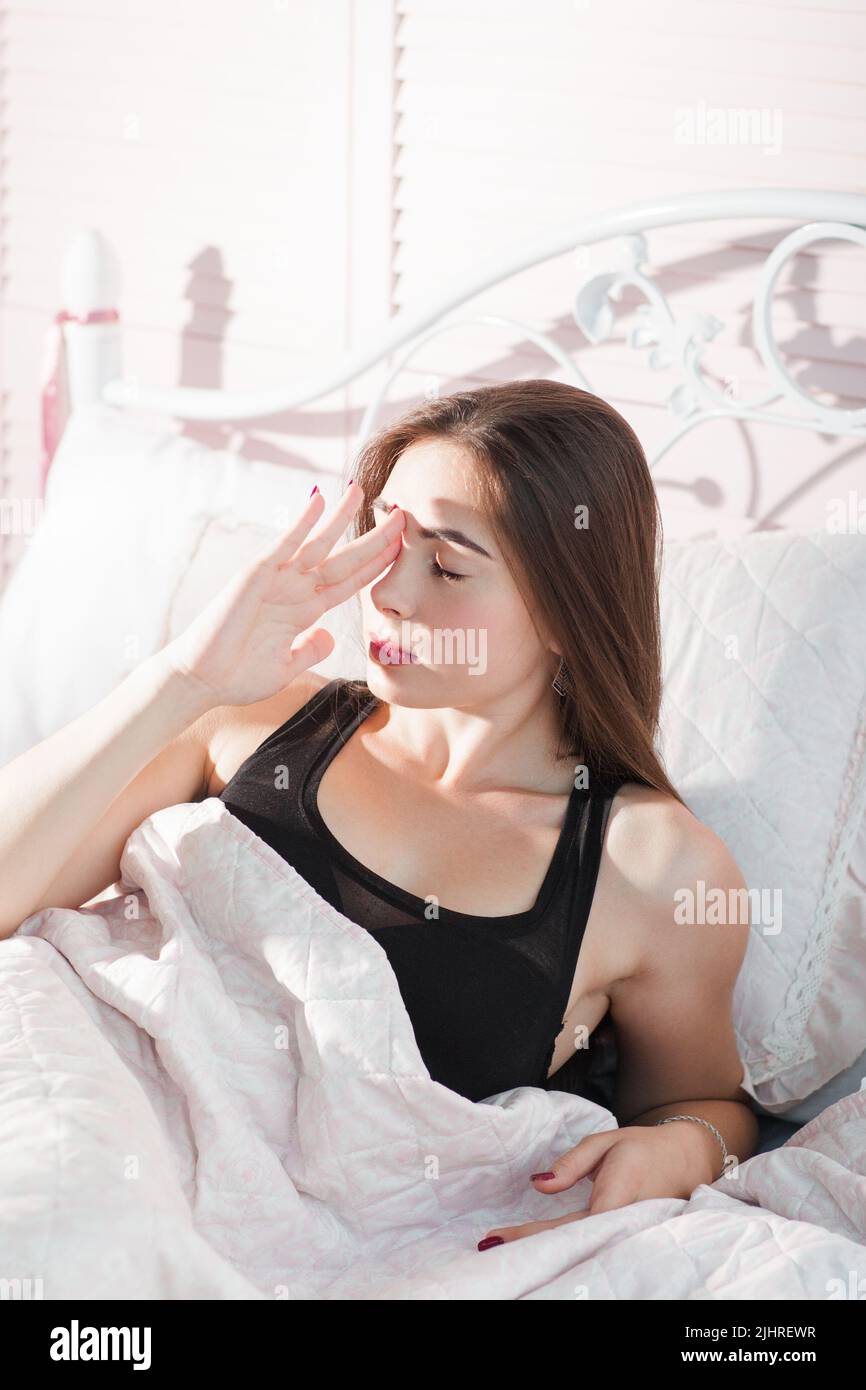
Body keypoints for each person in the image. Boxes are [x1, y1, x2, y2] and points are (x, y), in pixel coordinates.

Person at [0, 379, 758, 1247]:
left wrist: (681, 1150)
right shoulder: (248, 721)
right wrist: (180, 682)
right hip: (73, 1130)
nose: (389, 591)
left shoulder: (651, 868)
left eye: (446, 565)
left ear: (566, 606)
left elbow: (702, 1105)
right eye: (386, 539)